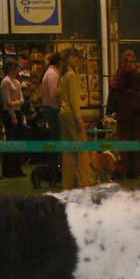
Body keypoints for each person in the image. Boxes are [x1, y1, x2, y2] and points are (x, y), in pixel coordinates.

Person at [110, 50, 140, 179]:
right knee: (137, 138)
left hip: (126, 107)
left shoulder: (123, 69)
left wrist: (113, 81)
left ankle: (123, 169)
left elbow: (116, 85)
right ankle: (135, 169)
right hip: (139, 107)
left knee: (124, 138)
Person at [59, 47, 92, 189]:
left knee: (68, 151)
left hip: (63, 114)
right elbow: (74, 100)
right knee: (82, 150)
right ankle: (85, 181)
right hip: (71, 115)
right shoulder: (72, 76)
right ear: (67, 59)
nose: (76, 60)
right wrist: (79, 119)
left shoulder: (63, 75)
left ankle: (68, 182)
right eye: (73, 57)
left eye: (77, 57)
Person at [0, 58, 25, 177]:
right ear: (10, 68)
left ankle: (18, 169)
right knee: (11, 141)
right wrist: (13, 115)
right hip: (10, 114)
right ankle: (9, 170)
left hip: (18, 113)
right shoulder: (6, 81)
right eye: (17, 67)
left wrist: (15, 103)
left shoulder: (17, 82)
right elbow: (7, 102)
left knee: (18, 141)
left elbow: (22, 100)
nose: (18, 70)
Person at [40, 52, 62, 141]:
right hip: (53, 109)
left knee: (54, 135)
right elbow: (53, 94)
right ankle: (55, 155)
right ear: (58, 62)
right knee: (55, 136)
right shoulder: (52, 74)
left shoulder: (51, 72)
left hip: (51, 108)